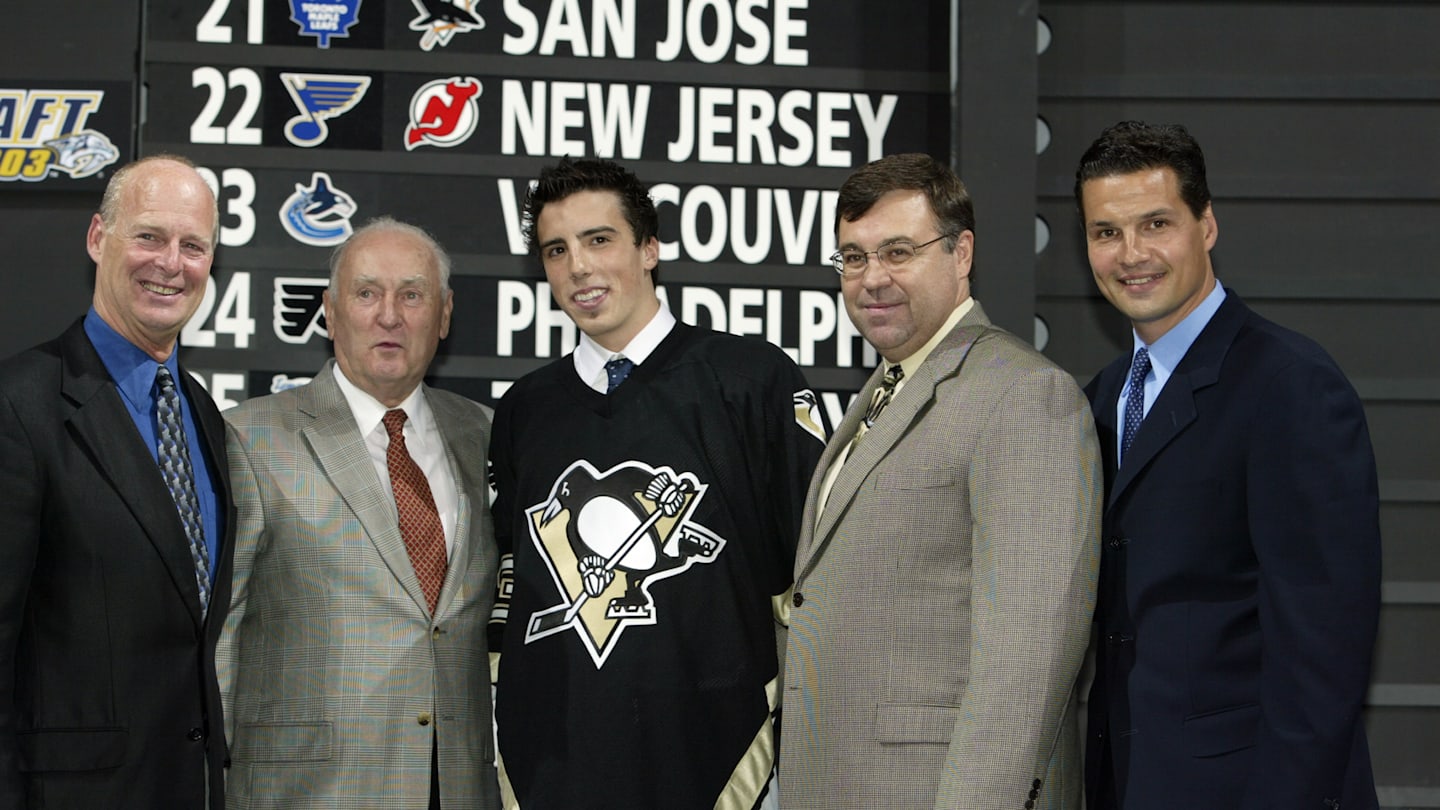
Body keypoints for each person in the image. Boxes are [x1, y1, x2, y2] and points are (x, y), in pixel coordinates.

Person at [488, 157, 825, 810]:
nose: (578, 267)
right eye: (556, 250)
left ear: (650, 248)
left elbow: (818, 581)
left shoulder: (752, 381)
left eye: (599, 240)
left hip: (719, 757)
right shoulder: (525, 410)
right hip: (559, 766)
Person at [779, 153, 1101, 810]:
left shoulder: (1025, 395)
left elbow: (1029, 659)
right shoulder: (881, 396)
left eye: (898, 252)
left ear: (961, 254)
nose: (872, 279)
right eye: (853, 257)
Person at [1075, 121, 1382, 809]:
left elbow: (1323, 655)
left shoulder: (1291, 385)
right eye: (1105, 232)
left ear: (1206, 225)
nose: (1131, 254)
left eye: (1156, 223)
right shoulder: (1098, 399)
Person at [218, 217, 500, 809]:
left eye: (413, 294)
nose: (390, 314)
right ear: (330, 310)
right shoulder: (251, 438)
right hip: (308, 794)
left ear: (444, 315)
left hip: (458, 789)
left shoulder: (487, 435)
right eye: (367, 292)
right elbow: (219, 639)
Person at [0, 155, 232, 808]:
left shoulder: (203, 415)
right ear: (99, 237)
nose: (171, 263)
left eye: (194, 246)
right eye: (149, 236)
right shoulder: (19, 405)